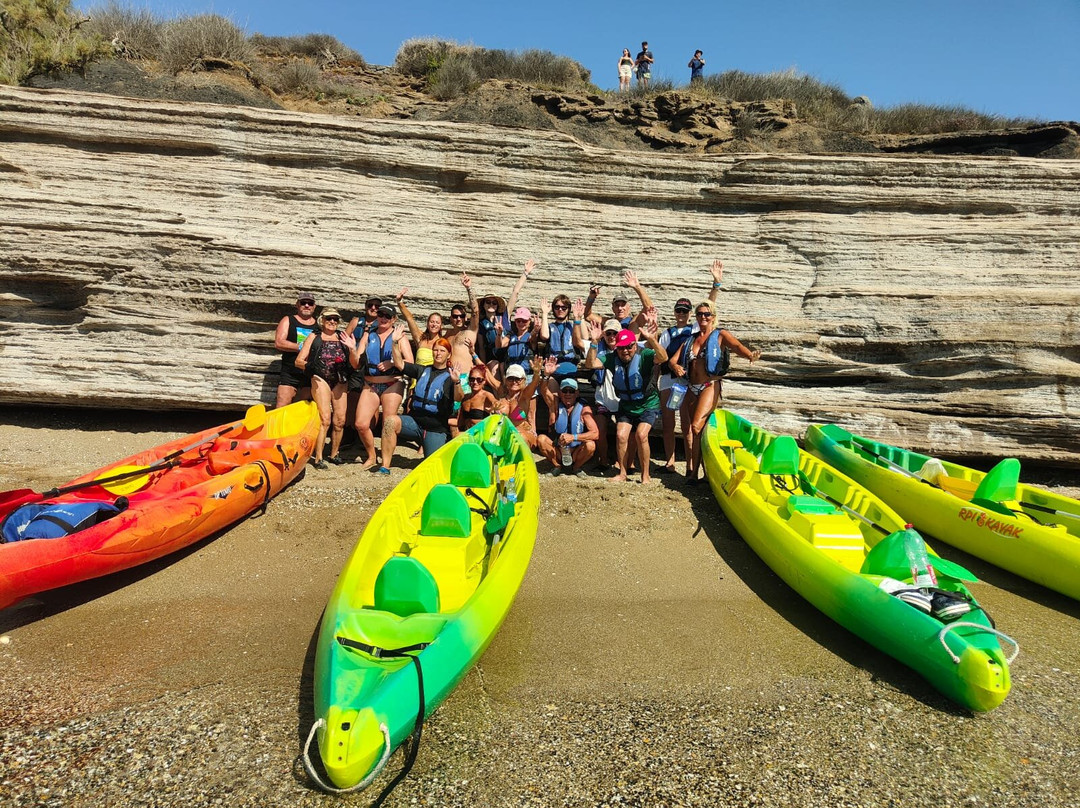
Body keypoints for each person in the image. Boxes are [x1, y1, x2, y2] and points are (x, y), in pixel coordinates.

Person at [672, 298, 761, 485]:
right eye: (699, 314)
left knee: (696, 426)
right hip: (690, 387)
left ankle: (703, 472)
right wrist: (676, 368)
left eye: (707, 314)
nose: (703, 317)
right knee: (696, 431)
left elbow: (736, 346)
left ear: (713, 317)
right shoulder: (690, 340)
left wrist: (749, 355)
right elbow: (673, 360)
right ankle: (696, 474)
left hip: (709, 385)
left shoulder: (720, 335)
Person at [584, 315, 667, 484]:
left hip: (647, 403)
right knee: (621, 436)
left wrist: (652, 339)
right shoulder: (612, 357)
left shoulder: (645, 355)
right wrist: (594, 341)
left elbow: (663, 358)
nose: (625, 351)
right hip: (627, 404)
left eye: (629, 347)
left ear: (635, 345)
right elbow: (590, 364)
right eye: (621, 348)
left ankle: (646, 475)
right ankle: (622, 473)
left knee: (641, 435)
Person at [380, 328, 462, 471]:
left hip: (435, 428)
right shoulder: (422, 370)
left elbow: (458, 397)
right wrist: (394, 342)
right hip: (415, 422)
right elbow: (400, 364)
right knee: (390, 421)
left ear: (449, 354)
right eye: (436, 350)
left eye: (442, 351)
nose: (438, 353)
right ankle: (385, 466)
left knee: (431, 467)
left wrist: (457, 382)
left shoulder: (451, 377)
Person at [351, 302, 412, 470]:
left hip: (392, 383)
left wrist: (391, 362)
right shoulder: (368, 335)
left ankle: (386, 462)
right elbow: (356, 363)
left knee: (387, 424)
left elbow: (410, 362)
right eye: (381, 315)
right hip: (370, 383)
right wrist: (351, 350)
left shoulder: (399, 337)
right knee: (361, 424)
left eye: (387, 316)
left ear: (393, 319)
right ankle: (372, 455)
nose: (383, 318)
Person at [295, 307, 354, 469]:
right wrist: (313, 367)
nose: (332, 322)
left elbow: (354, 361)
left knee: (340, 420)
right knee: (325, 419)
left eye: (335, 319)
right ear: (322, 320)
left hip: (340, 379)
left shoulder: (343, 337)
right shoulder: (314, 336)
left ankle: (334, 454)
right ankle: (318, 457)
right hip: (320, 378)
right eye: (329, 319)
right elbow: (298, 361)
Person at [657, 297, 695, 473]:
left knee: (687, 425)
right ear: (674, 312)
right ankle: (669, 462)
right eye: (678, 311)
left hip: (685, 382)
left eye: (684, 311)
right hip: (668, 380)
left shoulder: (694, 330)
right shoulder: (667, 333)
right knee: (668, 424)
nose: (681, 314)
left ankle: (690, 465)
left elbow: (710, 310)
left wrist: (715, 285)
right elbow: (660, 358)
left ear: (689, 314)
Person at [536, 377, 599, 477]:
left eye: (571, 391)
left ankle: (576, 467)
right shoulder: (555, 406)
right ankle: (557, 466)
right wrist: (546, 376)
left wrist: (573, 437)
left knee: (591, 445)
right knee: (541, 439)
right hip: (558, 450)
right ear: (560, 393)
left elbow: (595, 433)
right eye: (565, 391)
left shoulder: (584, 409)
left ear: (577, 393)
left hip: (576, 451)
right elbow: (544, 391)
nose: (568, 394)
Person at [477, 259, 535, 365]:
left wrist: (525, 273)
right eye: (488, 302)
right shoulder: (481, 324)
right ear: (483, 304)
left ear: (498, 306)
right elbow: (481, 347)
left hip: (508, 356)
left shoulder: (504, 316)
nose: (491, 304)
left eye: (494, 303)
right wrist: (483, 365)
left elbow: (515, 292)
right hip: (492, 358)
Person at [274, 292, 317, 409]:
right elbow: (279, 342)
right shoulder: (288, 320)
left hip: (309, 373)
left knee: (304, 408)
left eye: (310, 303)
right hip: (290, 372)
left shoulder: (319, 325)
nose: (307, 305)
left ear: (314, 306)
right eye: (303, 303)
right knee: (282, 405)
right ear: (297, 305)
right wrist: (302, 347)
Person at [494, 357, 543, 449]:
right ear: (505, 380)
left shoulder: (524, 397)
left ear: (523, 380)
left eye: (518, 379)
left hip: (524, 435)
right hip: (506, 436)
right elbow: (487, 374)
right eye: (510, 379)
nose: (514, 382)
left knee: (518, 436)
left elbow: (533, 385)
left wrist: (536, 373)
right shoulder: (502, 397)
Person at [395, 287, 443, 366]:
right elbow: (410, 319)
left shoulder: (443, 342)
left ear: (441, 326)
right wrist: (400, 302)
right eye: (432, 322)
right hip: (418, 377)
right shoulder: (420, 338)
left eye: (437, 322)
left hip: (434, 377)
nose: (434, 324)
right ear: (427, 324)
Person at [458, 365, 498, 431]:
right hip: (467, 435)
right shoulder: (465, 398)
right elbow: (460, 422)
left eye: (479, 380)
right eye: (472, 379)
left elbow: (495, 402)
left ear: (484, 381)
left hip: (481, 435)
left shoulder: (486, 395)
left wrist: (495, 406)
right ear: (468, 381)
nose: (475, 382)